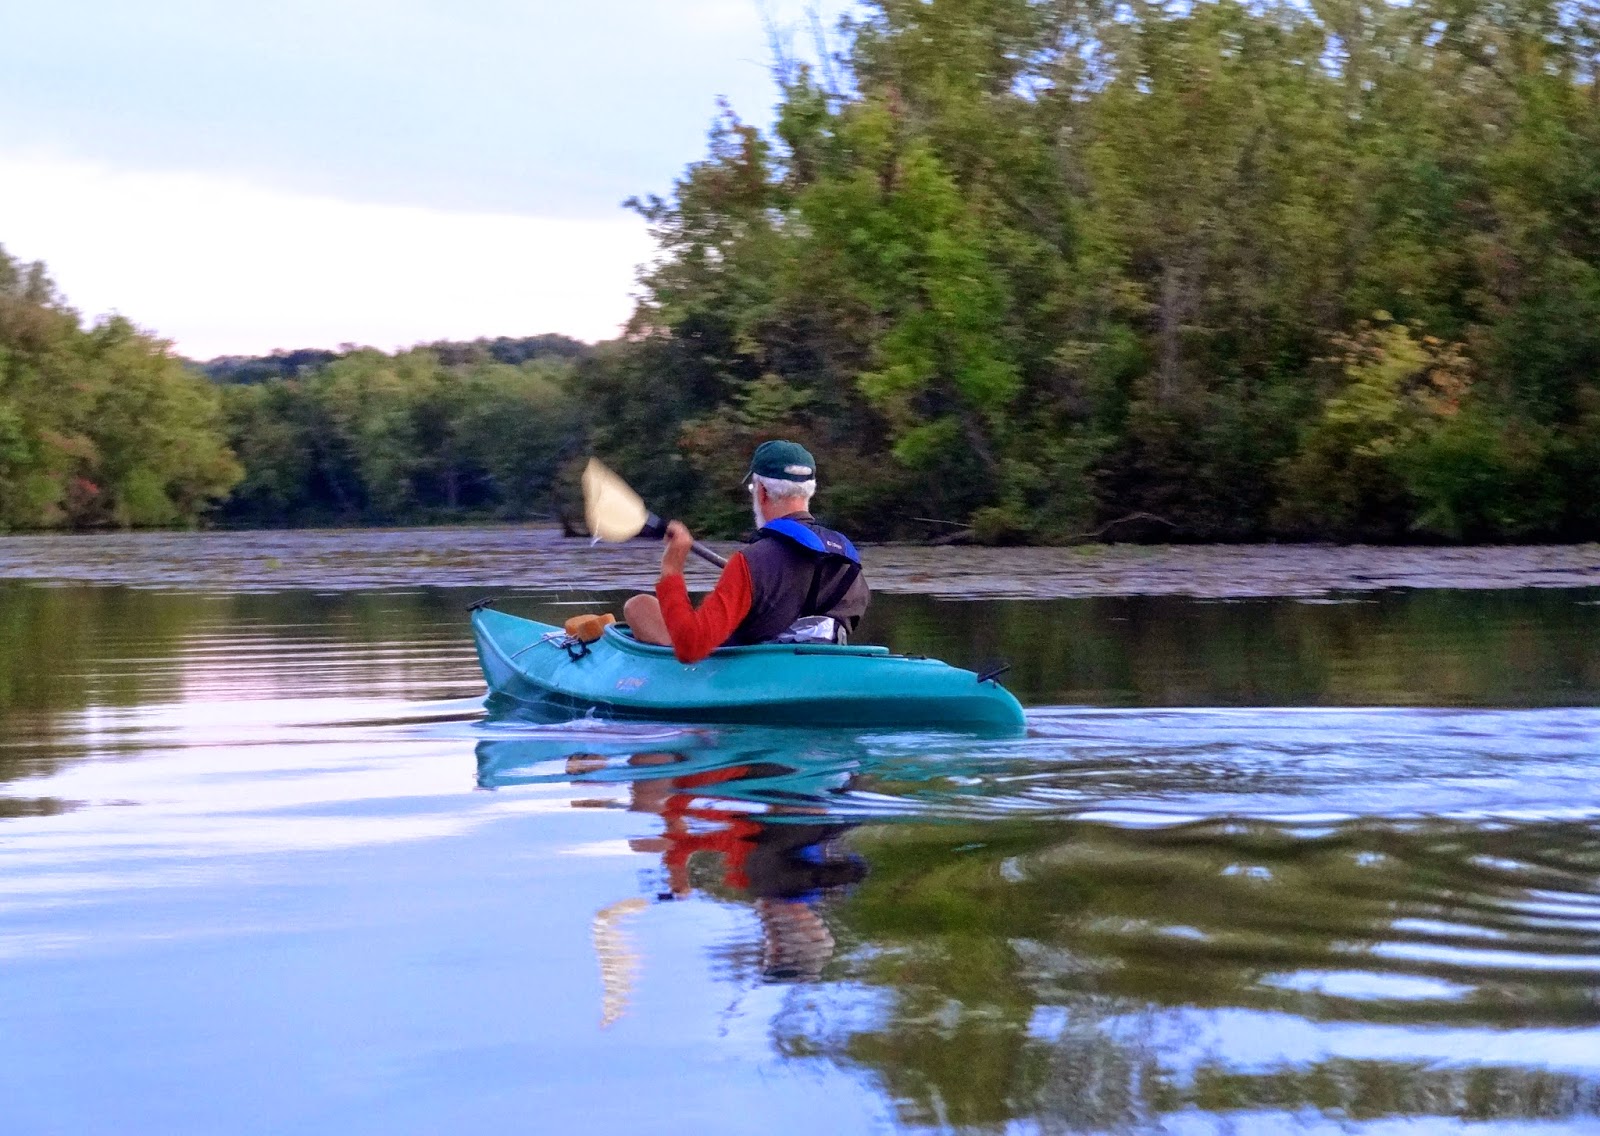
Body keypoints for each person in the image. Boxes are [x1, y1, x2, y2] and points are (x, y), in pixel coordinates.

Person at [623, 440, 870, 663]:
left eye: (754, 489)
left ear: (761, 492)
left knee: (638, 606)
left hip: (753, 675)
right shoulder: (849, 560)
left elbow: (690, 647)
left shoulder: (750, 562)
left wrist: (672, 570)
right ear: (809, 491)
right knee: (642, 606)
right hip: (823, 669)